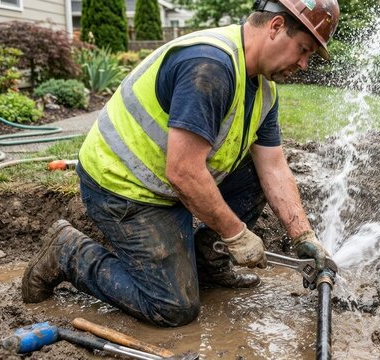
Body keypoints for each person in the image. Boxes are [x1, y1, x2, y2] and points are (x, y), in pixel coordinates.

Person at [21, 0, 340, 327]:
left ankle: (206, 265)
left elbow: (273, 166)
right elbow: (183, 172)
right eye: (303, 49)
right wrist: (235, 233)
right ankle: (69, 252)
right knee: (173, 308)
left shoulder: (264, 89)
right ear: (275, 27)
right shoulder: (210, 66)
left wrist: (303, 236)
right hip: (123, 187)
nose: (303, 63)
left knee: (257, 176)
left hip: (167, 185)